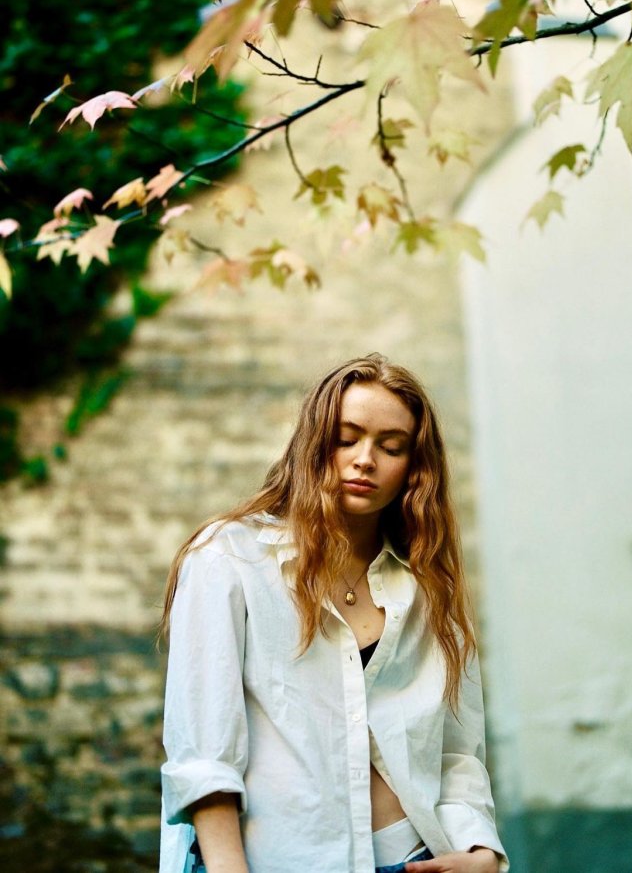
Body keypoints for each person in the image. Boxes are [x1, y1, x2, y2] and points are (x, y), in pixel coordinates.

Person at [158, 354, 509, 873]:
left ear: (414, 468)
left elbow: (456, 754)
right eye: (347, 439)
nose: (365, 459)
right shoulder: (230, 559)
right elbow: (203, 755)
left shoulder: (428, 590)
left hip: (414, 855)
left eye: (391, 447)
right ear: (313, 442)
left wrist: (482, 851)